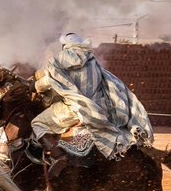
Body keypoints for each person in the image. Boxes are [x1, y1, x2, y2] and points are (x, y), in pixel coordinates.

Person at [32, 33, 153, 175]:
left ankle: (59, 156)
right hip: (99, 108)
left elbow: (47, 82)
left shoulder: (61, 59)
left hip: (75, 108)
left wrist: (34, 86)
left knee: (37, 123)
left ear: (65, 46)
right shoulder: (92, 61)